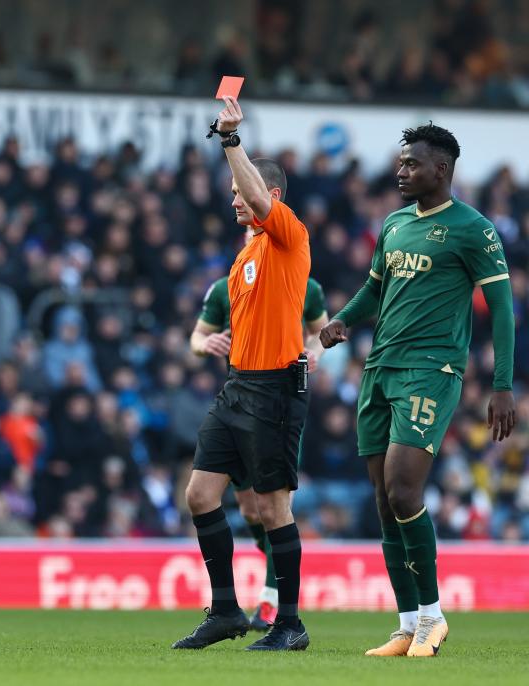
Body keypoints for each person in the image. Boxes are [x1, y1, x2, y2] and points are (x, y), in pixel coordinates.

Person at [320, 123, 516, 657]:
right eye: (400, 163)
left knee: (405, 490)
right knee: (385, 502)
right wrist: (343, 320)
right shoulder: (395, 223)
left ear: (442, 170)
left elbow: (501, 308)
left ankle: (433, 618)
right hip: (380, 369)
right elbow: (374, 288)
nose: (401, 171)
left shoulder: (473, 229)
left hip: (431, 372)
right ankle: (407, 624)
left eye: (411, 164)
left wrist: (502, 385)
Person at [172, 96, 311, 652]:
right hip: (237, 386)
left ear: (269, 197)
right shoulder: (246, 254)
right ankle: (226, 609)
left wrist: (231, 140)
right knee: (200, 494)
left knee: (272, 508)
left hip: (274, 389)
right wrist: (213, 341)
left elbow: (253, 191)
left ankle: (290, 623)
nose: (234, 201)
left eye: (240, 193)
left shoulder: (288, 236)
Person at [191, 234, 327, 630]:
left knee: (270, 507)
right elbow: (196, 336)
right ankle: (226, 611)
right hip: (236, 394)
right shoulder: (227, 284)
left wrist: (313, 351)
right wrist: (205, 344)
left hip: (276, 397)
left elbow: (321, 329)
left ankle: (275, 606)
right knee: (241, 506)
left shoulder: (304, 283)